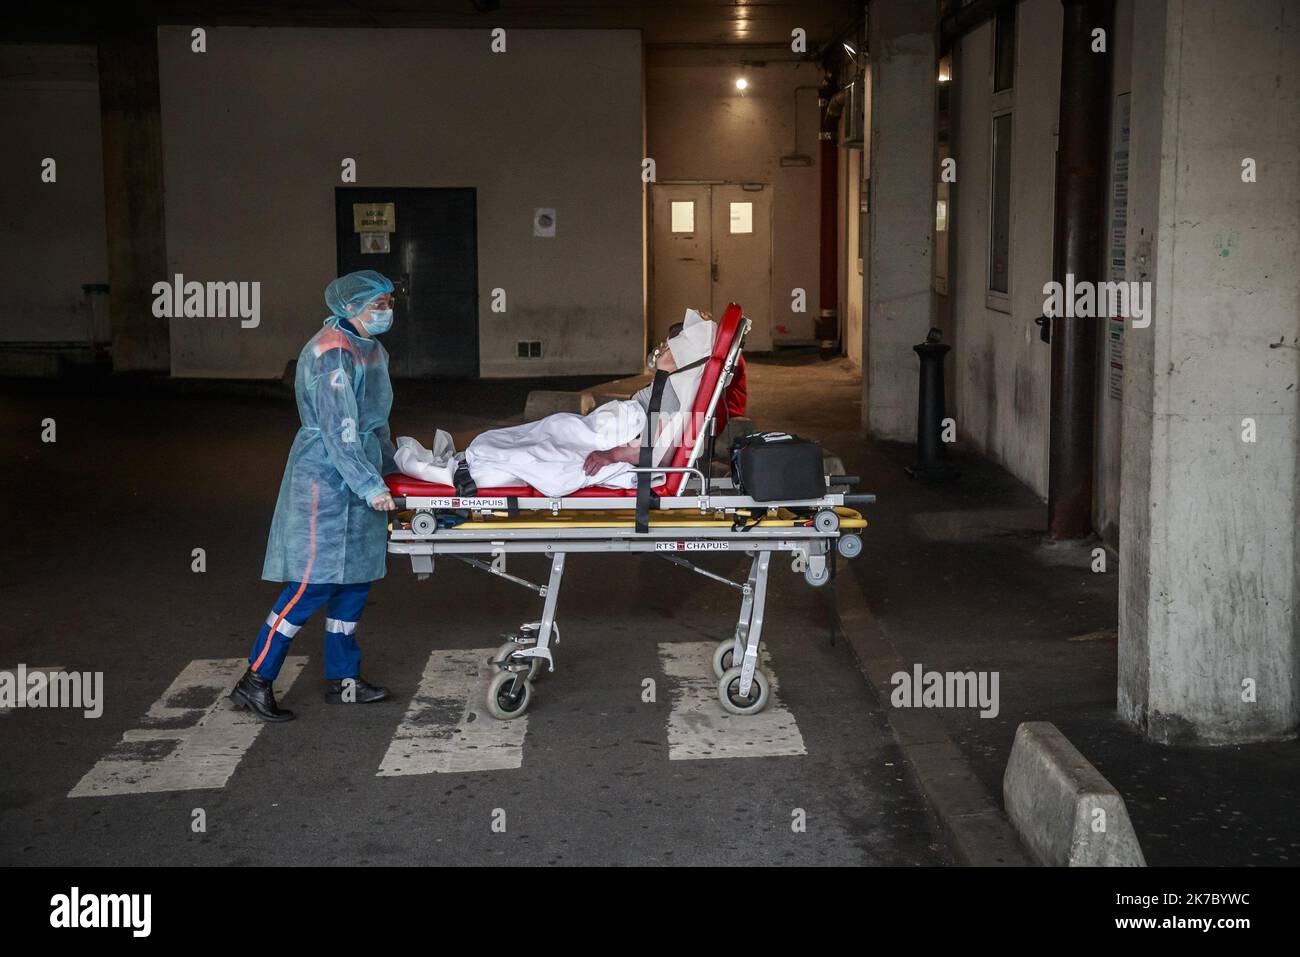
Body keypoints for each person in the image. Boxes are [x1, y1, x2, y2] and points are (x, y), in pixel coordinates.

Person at [229, 270, 398, 722]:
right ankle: (256, 680)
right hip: (324, 476)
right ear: (350, 307)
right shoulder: (331, 354)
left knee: (355, 580)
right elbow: (338, 430)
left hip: (361, 469)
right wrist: (369, 484)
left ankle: (344, 679)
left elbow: (374, 422)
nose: (384, 310)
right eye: (376, 303)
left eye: (387, 302)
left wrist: (395, 471)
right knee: (312, 582)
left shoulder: (370, 349)